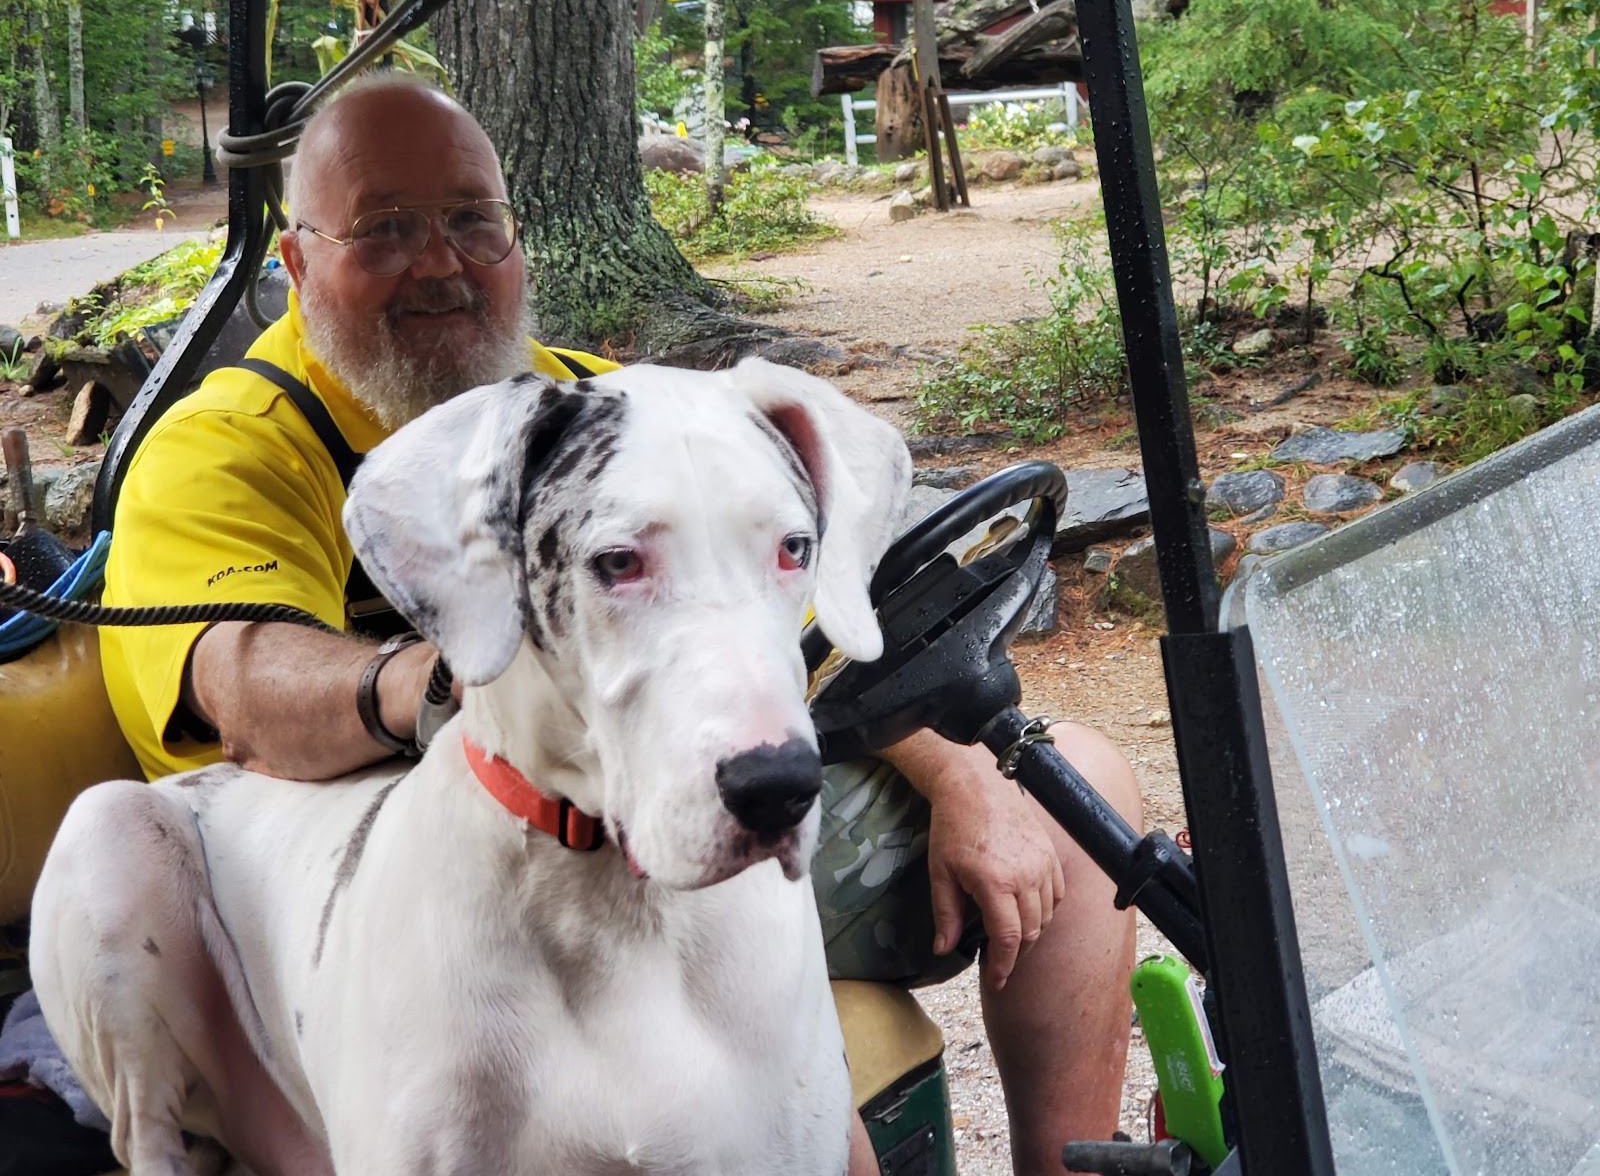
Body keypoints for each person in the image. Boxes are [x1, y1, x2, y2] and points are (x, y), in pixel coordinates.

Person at [95, 74, 1142, 1176]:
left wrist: (956, 773)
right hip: (432, 881)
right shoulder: (227, 445)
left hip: (689, 809)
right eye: (387, 228)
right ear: (299, 263)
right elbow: (243, 691)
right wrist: (470, 668)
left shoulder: (611, 407)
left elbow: (771, 627)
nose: (441, 262)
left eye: (472, 221)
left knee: (1070, 785)